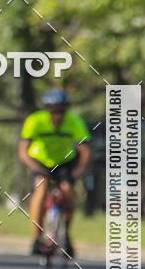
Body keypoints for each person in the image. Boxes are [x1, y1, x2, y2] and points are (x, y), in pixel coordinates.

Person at [18, 89, 91, 258]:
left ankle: (66, 236)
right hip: (40, 161)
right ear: (47, 109)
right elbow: (23, 151)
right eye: (53, 111)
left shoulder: (74, 122)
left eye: (61, 111)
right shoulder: (35, 121)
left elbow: (85, 151)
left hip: (65, 162)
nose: (57, 115)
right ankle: (36, 239)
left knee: (68, 191)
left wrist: (77, 172)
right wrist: (34, 167)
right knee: (41, 188)